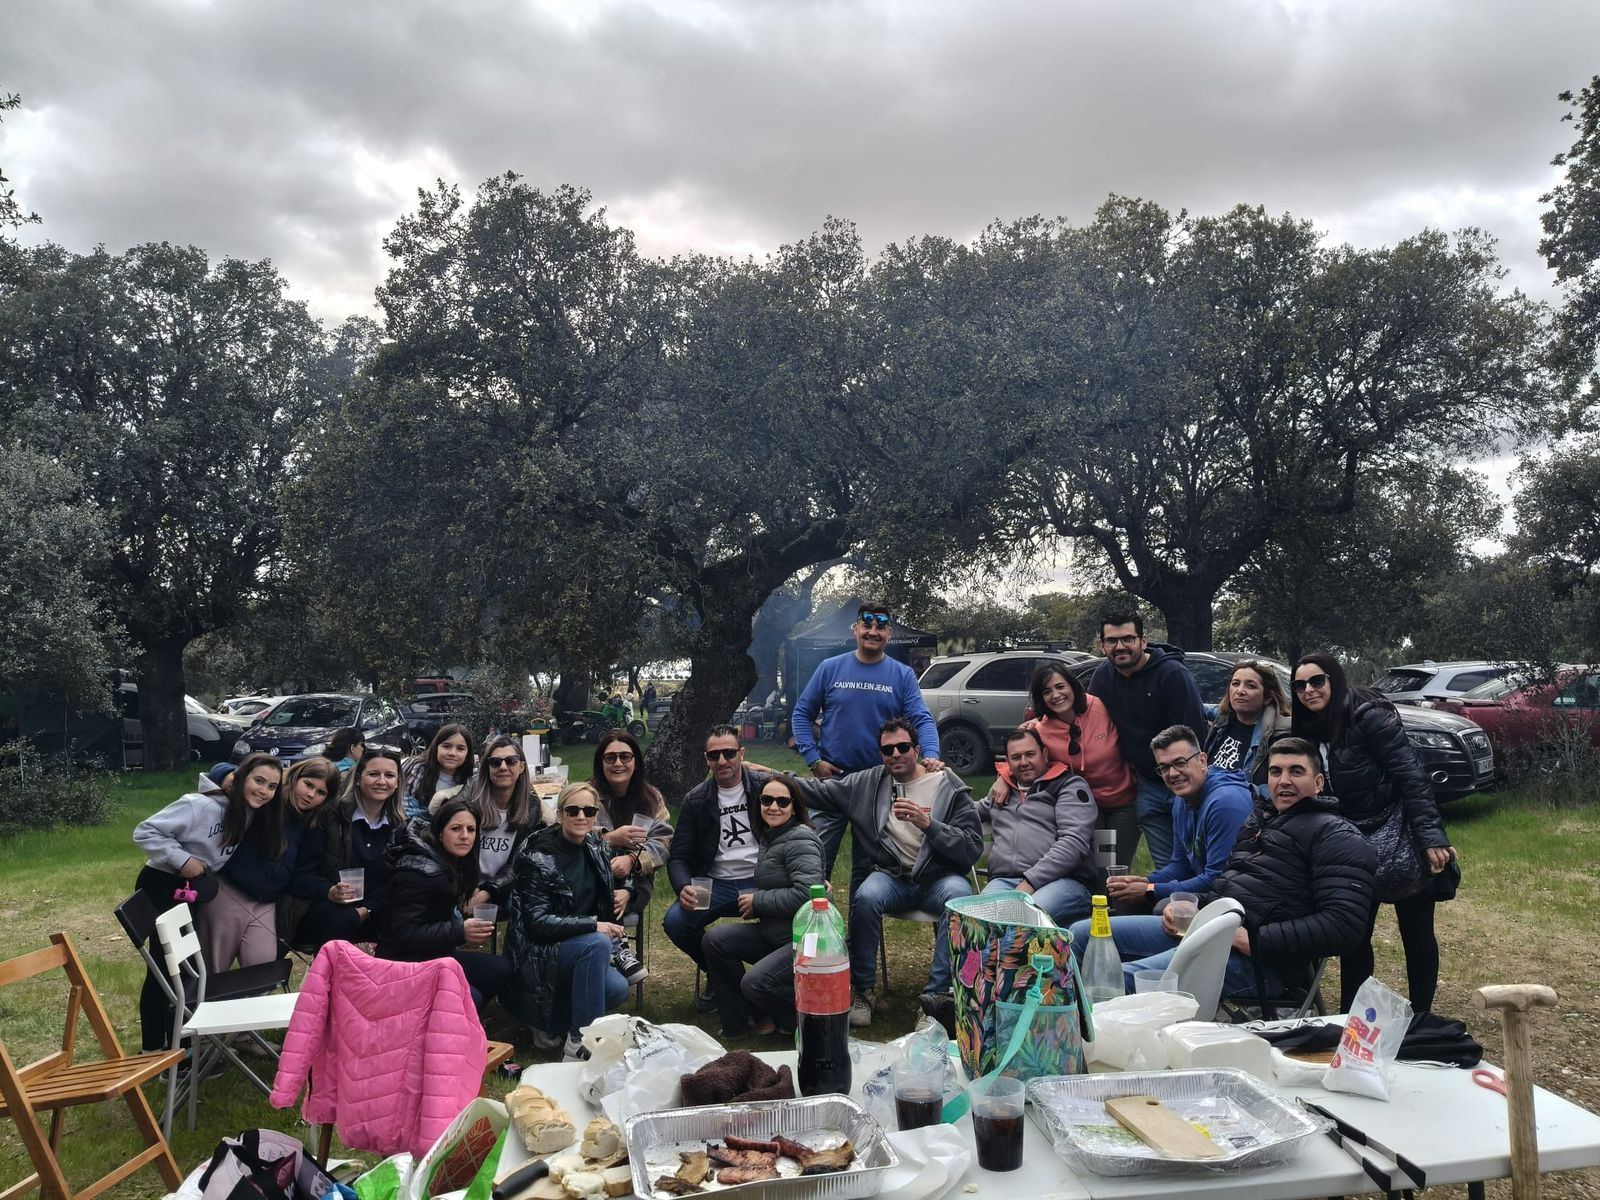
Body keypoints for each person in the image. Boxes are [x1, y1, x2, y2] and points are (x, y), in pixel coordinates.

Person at [1068, 738, 1377, 998]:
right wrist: (1191, 906)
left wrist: (1253, 940)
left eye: (1296, 772)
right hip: (1206, 929)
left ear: (1319, 783)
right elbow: (1225, 884)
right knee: (1081, 934)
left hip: (1262, 962)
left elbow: (1345, 927)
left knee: (1110, 981)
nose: (1284, 781)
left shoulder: (1336, 835)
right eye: (1275, 771)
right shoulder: (1260, 822)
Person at [791, 718, 983, 1027]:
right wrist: (767, 777)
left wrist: (929, 825)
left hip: (939, 878)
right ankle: (864, 990)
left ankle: (937, 998)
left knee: (959, 897)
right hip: (894, 878)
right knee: (866, 895)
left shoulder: (947, 785)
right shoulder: (868, 783)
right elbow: (816, 791)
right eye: (887, 750)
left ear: (917, 750)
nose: (895, 754)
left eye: (902, 747)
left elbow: (972, 846)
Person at [1291, 653, 1456, 1013]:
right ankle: (1352, 1014)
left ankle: (1421, 1014)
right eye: (1300, 685)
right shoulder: (1306, 728)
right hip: (1351, 842)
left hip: (1399, 833)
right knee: (1354, 933)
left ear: (1334, 679)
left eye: (1317, 680)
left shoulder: (1370, 716)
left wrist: (1431, 836)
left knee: (1415, 930)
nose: (1308, 690)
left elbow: (1411, 774)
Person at [130, 752, 284, 1050]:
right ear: (238, 780)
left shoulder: (250, 813)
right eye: (258, 781)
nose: (264, 791)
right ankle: (153, 1050)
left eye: (272, 786)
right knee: (164, 969)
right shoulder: (199, 806)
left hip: (194, 891)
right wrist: (183, 860)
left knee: (184, 967)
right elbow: (145, 831)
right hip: (163, 885)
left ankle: (179, 1043)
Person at [790, 603, 941, 876]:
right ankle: (812, 918)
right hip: (832, 781)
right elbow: (801, 714)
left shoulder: (902, 675)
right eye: (867, 625)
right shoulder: (830, 668)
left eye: (880, 627)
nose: (873, 632)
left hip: (877, 785)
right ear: (856, 629)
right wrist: (814, 761)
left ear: (889, 634)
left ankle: (861, 918)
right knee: (813, 863)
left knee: (868, 869)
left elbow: (921, 719)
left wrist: (930, 754)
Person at [504, 782, 633, 1060]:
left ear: (596, 815)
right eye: (572, 810)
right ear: (560, 814)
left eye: (588, 810)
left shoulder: (595, 846)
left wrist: (627, 889)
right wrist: (592, 924)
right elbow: (536, 924)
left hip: (579, 947)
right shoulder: (538, 855)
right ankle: (580, 1043)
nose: (581, 816)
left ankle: (557, 1022)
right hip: (537, 952)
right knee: (597, 944)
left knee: (617, 988)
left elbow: (623, 869)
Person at [701, 774, 825, 1038]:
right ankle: (741, 1022)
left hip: (803, 940)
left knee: (755, 983)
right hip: (776, 932)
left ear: (794, 807)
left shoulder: (800, 838)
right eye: (767, 800)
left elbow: (807, 894)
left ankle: (807, 1019)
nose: (774, 807)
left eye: (782, 801)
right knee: (715, 939)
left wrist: (759, 901)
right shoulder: (771, 837)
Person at [1086, 610, 1208, 869]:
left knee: (1197, 860)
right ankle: (1170, 904)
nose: (1120, 647)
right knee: (1167, 866)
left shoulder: (1172, 674)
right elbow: (1084, 719)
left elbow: (1194, 734)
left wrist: (1192, 787)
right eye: (1111, 641)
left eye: (1128, 639)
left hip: (1183, 785)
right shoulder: (1102, 678)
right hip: (1147, 787)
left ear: (1143, 641)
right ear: (1101, 645)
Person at [377, 798, 514, 1011]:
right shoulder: (418, 873)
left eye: (471, 829)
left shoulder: (450, 862)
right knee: (470, 998)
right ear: (440, 832)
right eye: (456, 829)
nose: (465, 836)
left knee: (500, 969)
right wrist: (459, 931)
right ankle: (439, 1028)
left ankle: (456, 1026)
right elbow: (402, 934)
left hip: (435, 954)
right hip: (403, 964)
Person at [663, 726, 767, 1007]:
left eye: (729, 753)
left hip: (762, 880)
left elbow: (800, 829)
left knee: (791, 914)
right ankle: (720, 971)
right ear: (706, 759)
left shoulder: (764, 788)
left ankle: (770, 979)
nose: (722, 761)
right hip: (715, 882)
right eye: (714, 755)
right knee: (676, 922)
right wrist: (684, 886)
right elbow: (679, 856)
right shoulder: (696, 800)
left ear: (741, 754)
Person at [1105, 725, 1255, 911]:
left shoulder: (1225, 802)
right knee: (1129, 899)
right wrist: (1144, 881)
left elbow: (1217, 878)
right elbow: (1181, 865)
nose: (1173, 774)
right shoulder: (1181, 799)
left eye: (1180, 763)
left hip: (1237, 897)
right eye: (1164, 767)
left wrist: (1150, 889)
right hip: (1215, 888)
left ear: (1202, 761)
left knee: (1164, 906)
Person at [1018, 663, 1138, 868]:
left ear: (1072, 686)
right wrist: (1002, 781)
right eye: (1047, 691)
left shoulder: (1101, 707)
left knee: (1114, 871)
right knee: (1090, 871)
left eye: (1060, 686)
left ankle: (1117, 901)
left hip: (1123, 801)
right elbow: (1019, 757)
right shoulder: (1040, 729)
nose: (1056, 695)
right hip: (1083, 807)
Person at [977, 728, 1097, 925]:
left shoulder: (1068, 786)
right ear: (1007, 763)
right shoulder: (1001, 792)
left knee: (1022, 917)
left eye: (1030, 754)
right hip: (1003, 882)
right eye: (1016, 757)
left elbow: (1073, 843)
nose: (1024, 762)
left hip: (1063, 882)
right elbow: (966, 814)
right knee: (976, 922)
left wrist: (1029, 883)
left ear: (1045, 754)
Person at [296, 746, 407, 947]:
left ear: (397, 783)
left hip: (375, 910)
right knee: (341, 921)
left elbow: (395, 883)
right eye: (373, 774)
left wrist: (366, 910)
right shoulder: (330, 816)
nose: (382, 781)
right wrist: (329, 890)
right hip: (327, 908)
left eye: (389, 775)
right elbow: (301, 875)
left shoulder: (399, 829)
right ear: (357, 778)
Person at [589, 730, 674, 917]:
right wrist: (610, 838)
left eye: (625, 757)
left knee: (611, 906)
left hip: (636, 880)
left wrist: (632, 859)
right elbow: (566, 834)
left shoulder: (651, 798)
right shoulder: (587, 795)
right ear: (601, 763)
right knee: (598, 904)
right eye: (610, 758)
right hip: (591, 875)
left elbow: (663, 843)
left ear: (635, 762)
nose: (618, 763)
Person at [271, 756, 345, 949]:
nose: (311, 795)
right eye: (308, 785)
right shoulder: (271, 801)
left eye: (320, 792)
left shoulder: (312, 821)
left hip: (273, 901)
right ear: (295, 777)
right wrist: (225, 774)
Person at [460, 734, 542, 905]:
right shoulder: (471, 800)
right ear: (487, 768)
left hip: (504, 888)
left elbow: (519, 861)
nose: (503, 767)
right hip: (465, 884)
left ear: (521, 767)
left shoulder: (532, 807)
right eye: (495, 762)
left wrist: (488, 891)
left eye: (511, 761)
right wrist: (467, 888)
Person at [1205, 660, 1291, 788]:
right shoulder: (1222, 718)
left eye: (1250, 686)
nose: (1240, 691)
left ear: (1267, 697)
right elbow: (1193, 705)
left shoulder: (1280, 734)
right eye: (1235, 683)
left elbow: (1281, 788)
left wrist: (1244, 794)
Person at [403, 723, 476, 819]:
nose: (452, 753)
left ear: (468, 753)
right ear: (436, 747)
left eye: (460, 749)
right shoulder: (415, 768)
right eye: (446, 746)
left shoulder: (470, 781)